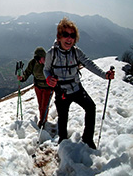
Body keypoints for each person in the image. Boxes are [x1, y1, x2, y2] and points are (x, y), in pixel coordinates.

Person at [43, 17, 115, 149]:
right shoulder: (51, 54)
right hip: (61, 91)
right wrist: (48, 78)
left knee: (90, 107)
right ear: (59, 37)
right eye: (65, 35)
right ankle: (63, 142)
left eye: (72, 35)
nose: (69, 39)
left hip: (76, 88)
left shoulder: (76, 52)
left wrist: (105, 75)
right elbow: (46, 69)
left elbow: (89, 63)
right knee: (63, 118)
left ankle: (87, 139)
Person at [18, 47, 51, 129]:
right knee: (41, 105)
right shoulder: (33, 63)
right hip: (38, 87)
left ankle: (42, 122)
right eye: (37, 58)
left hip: (48, 87)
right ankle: (43, 119)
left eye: (41, 58)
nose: (39, 60)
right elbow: (27, 72)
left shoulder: (50, 63)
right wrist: (22, 78)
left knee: (44, 105)